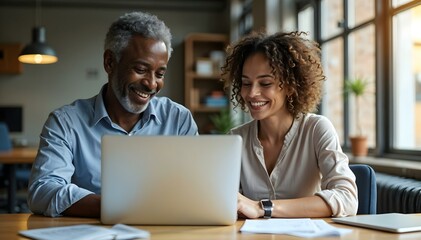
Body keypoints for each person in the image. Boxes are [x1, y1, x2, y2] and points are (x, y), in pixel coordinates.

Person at [28, 11, 198, 218]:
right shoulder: (65, 122)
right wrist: (117, 207)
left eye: (160, 74)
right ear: (109, 63)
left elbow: (196, 188)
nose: (152, 84)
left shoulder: (178, 120)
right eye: (141, 69)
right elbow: (42, 191)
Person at [220, 31, 358, 219]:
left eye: (265, 83)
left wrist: (263, 207)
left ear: (291, 86)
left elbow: (347, 198)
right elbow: (225, 205)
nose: (252, 93)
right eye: (246, 83)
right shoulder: (235, 140)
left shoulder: (317, 129)